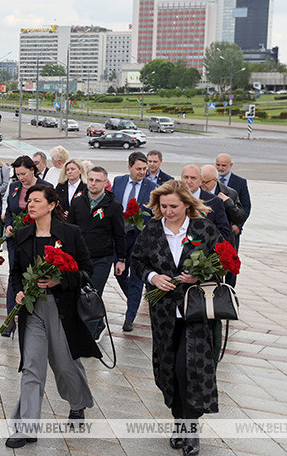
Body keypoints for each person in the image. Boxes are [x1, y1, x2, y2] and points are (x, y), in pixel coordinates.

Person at [131, 180, 224, 456]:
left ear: (187, 204)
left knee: (189, 370)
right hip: (163, 315)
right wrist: (153, 277)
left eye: (173, 206)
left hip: (195, 313)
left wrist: (201, 275)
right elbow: (138, 260)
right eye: (163, 206)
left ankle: (191, 431)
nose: (168, 211)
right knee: (169, 370)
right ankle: (178, 421)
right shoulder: (151, 230)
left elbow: (221, 261)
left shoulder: (203, 229)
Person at [5, 184, 99, 449]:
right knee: (32, 366)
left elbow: (86, 269)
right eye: (28, 200)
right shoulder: (23, 235)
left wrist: (59, 281)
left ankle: (78, 403)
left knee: (64, 364)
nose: (30, 205)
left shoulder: (70, 233)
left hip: (62, 309)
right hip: (32, 311)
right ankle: (26, 427)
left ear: (52, 205)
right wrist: (20, 292)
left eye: (36, 200)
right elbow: (15, 273)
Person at [67, 166, 126, 341]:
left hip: (102, 258)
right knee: (77, 293)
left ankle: (86, 338)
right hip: (79, 257)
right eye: (91, 180)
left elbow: (119, 234)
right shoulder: (78, 202)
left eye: (98, 180)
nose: (93, 184)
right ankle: (98, 323)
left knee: (92, 294)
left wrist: (121, 259)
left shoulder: (114, 207)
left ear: (105, 183)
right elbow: (70, 228)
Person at [1, 156, 51, 337]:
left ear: (33, 170)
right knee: (14, 275)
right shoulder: (14, 187)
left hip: (36, 239)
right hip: (16, 240)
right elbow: (9, 211)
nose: (21, 178)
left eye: (23, 173)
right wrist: (8, 224)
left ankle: (32, 317)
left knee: (33, 277)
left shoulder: (45, 187)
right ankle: (9, 320)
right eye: (17, 174)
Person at [112, 151, 157, 332]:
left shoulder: (152, 187)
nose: (142, 172)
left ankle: (129, 317)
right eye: (138, 168)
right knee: (119, 274)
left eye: (145, 169)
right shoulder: (119, 181)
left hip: (140, 238)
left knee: (137, 278)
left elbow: (156, 213)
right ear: (129, 167)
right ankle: (134, 299)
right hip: (120, 237)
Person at [179, 165, 233, 244]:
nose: (189, 181)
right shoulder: (172, 198)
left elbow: (224, 232)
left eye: (193, 178)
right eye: (186, 177)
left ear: (201, 180)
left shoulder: (215, 201)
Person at [201, 164, 246, 249]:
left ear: (215, 180)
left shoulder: (230, 193)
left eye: (205, 182)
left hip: (222, 242)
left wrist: (228, 203)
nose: (201, 184)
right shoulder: (194, 192)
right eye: (200, 181)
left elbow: (240, 218)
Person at [215, 153, 251, 247]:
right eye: (218, 165)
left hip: (232, 230)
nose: (220, 168)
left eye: (223, 165)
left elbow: (246, 206)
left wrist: (238, 226)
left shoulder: (240, 182)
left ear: (230, 165)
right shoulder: (211, 180)